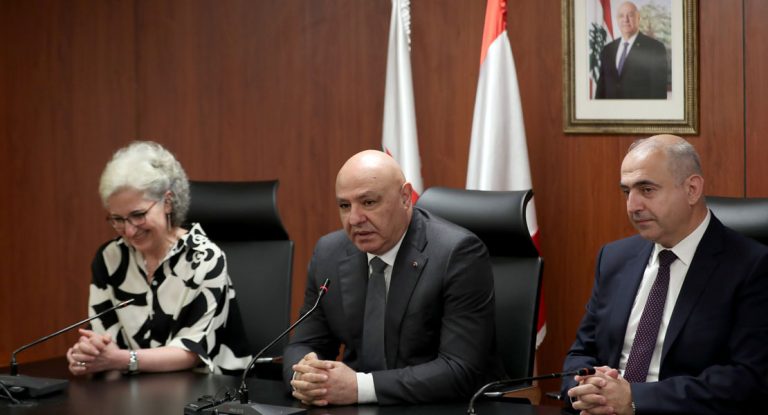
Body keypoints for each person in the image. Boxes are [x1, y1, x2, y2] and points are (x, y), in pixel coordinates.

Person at [562, 135, 768, 414]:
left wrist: (634, 398)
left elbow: (747, 379)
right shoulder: (613, 258)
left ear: (692, 189)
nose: (632, 206)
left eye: (647, 190)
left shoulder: (752, 266)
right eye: (626, 191)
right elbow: (581, 353)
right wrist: (590, 389)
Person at [283, 150, 499, 406]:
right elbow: (304, 344)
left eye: (368, 202)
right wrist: (305, 377)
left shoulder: (457, 254)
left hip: (437, 407)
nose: (354, 219)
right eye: (344, 206)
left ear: (405, 198)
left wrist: (359, 387)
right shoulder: (329, 253)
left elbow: (460, 369)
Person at [65, 141, 251, 376]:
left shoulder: (205, 259)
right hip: (134, 389)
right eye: (118, 219)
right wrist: (86, 355)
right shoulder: (110, 258)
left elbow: (191, 353)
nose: (129, 230)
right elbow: (103, 339)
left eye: (138, 215)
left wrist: (122, 359)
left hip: (206, 389)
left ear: (168, 202)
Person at [595, 1, 668, 99]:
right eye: (621, 16)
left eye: (630, 15)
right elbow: (600, 90)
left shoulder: (655, 48)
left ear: (638, 18)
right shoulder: (607, 50)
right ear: (617, 20)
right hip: (611, 109)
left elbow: (658, 93)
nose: (625, 20)